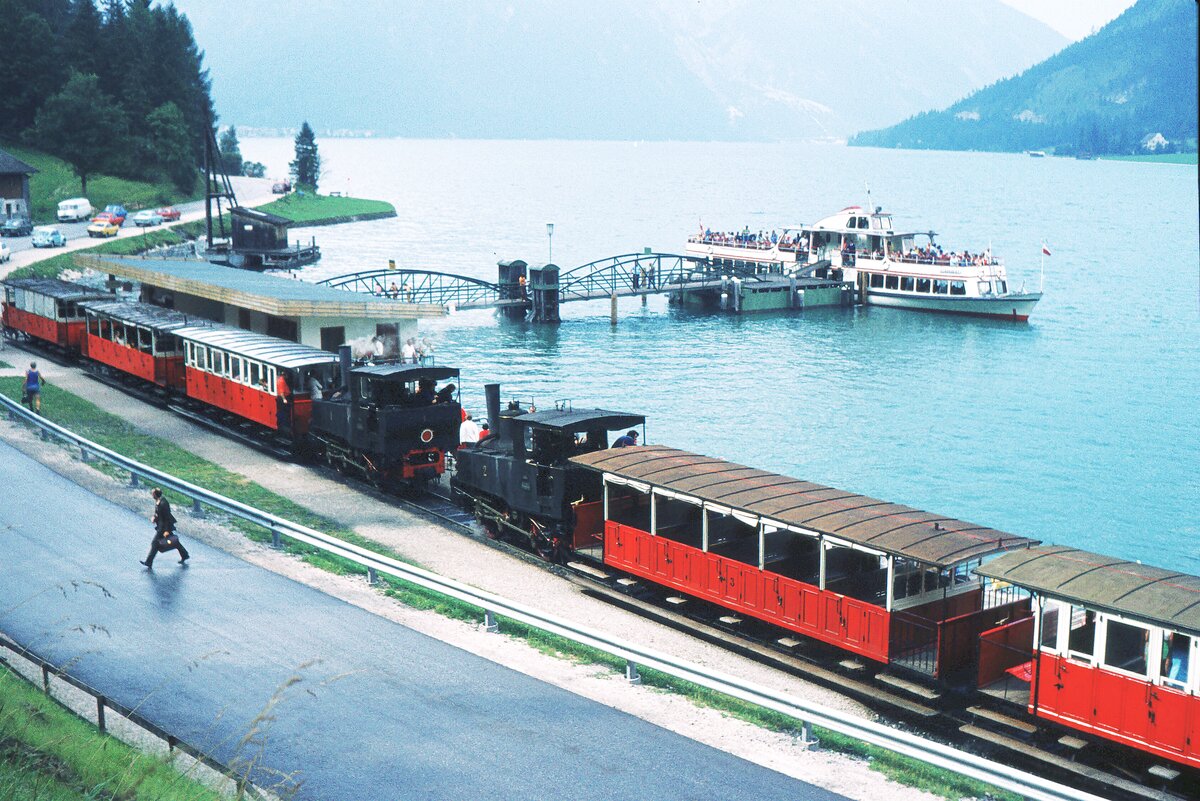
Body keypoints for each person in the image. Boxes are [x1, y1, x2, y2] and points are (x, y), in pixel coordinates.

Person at [141, 488, 190, 568]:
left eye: (153, 493)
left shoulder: (163, 503)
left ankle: (149, 562)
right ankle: (185, 555)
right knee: (175, 542)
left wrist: (167, 530)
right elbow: (158, 514)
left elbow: (167, 518)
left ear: (156, 495)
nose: (152, 495)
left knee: (155, 543)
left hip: (164, 528)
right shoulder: (158, 502)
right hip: (161, 527)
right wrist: (154, 517)